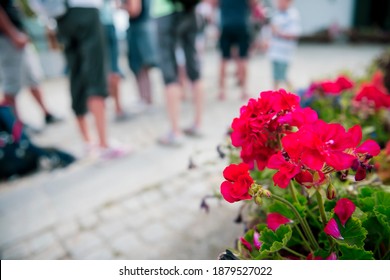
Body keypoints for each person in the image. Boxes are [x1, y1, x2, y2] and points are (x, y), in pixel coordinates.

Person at [54, 0, 129, 158]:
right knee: (96, 74)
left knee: (75, 75)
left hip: (61, 16)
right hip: (86, 10)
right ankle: (103, 144)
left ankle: (88, 141)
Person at [0, 0, 60, 128]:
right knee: (11, 85)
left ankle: (46, 113)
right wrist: (13, 34)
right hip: (7, 39)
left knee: (33, 77)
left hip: (18, 34)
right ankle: (14, 126)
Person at [152, 0, 204, 146]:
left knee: (169, 73)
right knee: (195, 69)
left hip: (165, 13)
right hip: (189, 10)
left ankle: (175, 132)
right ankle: (198, 124)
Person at [218, 0, 255, 101]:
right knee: (243, 58)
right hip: (241, 24)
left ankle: (222, 92)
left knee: (224, 59)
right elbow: (254, 3)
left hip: (226, 25)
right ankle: (244, 91)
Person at [125, 0, 157, 108]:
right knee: (143, 66)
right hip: (145, 26)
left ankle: (145, 99)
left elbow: (134, 10)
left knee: (140, 66)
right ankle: (146, 98)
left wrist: (120, 7)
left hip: (138, 29)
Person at [100, 0, 127, 121]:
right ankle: (117, 107)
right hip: (106, 23)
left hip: (96, 23)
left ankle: (105, 107)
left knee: (102, 68)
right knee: (113, 67)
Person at [266, 0, 300, 90]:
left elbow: (294, 34)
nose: (279, 3)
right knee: (275, 77)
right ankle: (274, 95)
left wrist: (279, 32)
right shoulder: (276, 14)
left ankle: (295, 93)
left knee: (283, 76)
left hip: (285, 52)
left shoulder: (293, 15)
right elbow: (270, 32)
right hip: (274, 51)